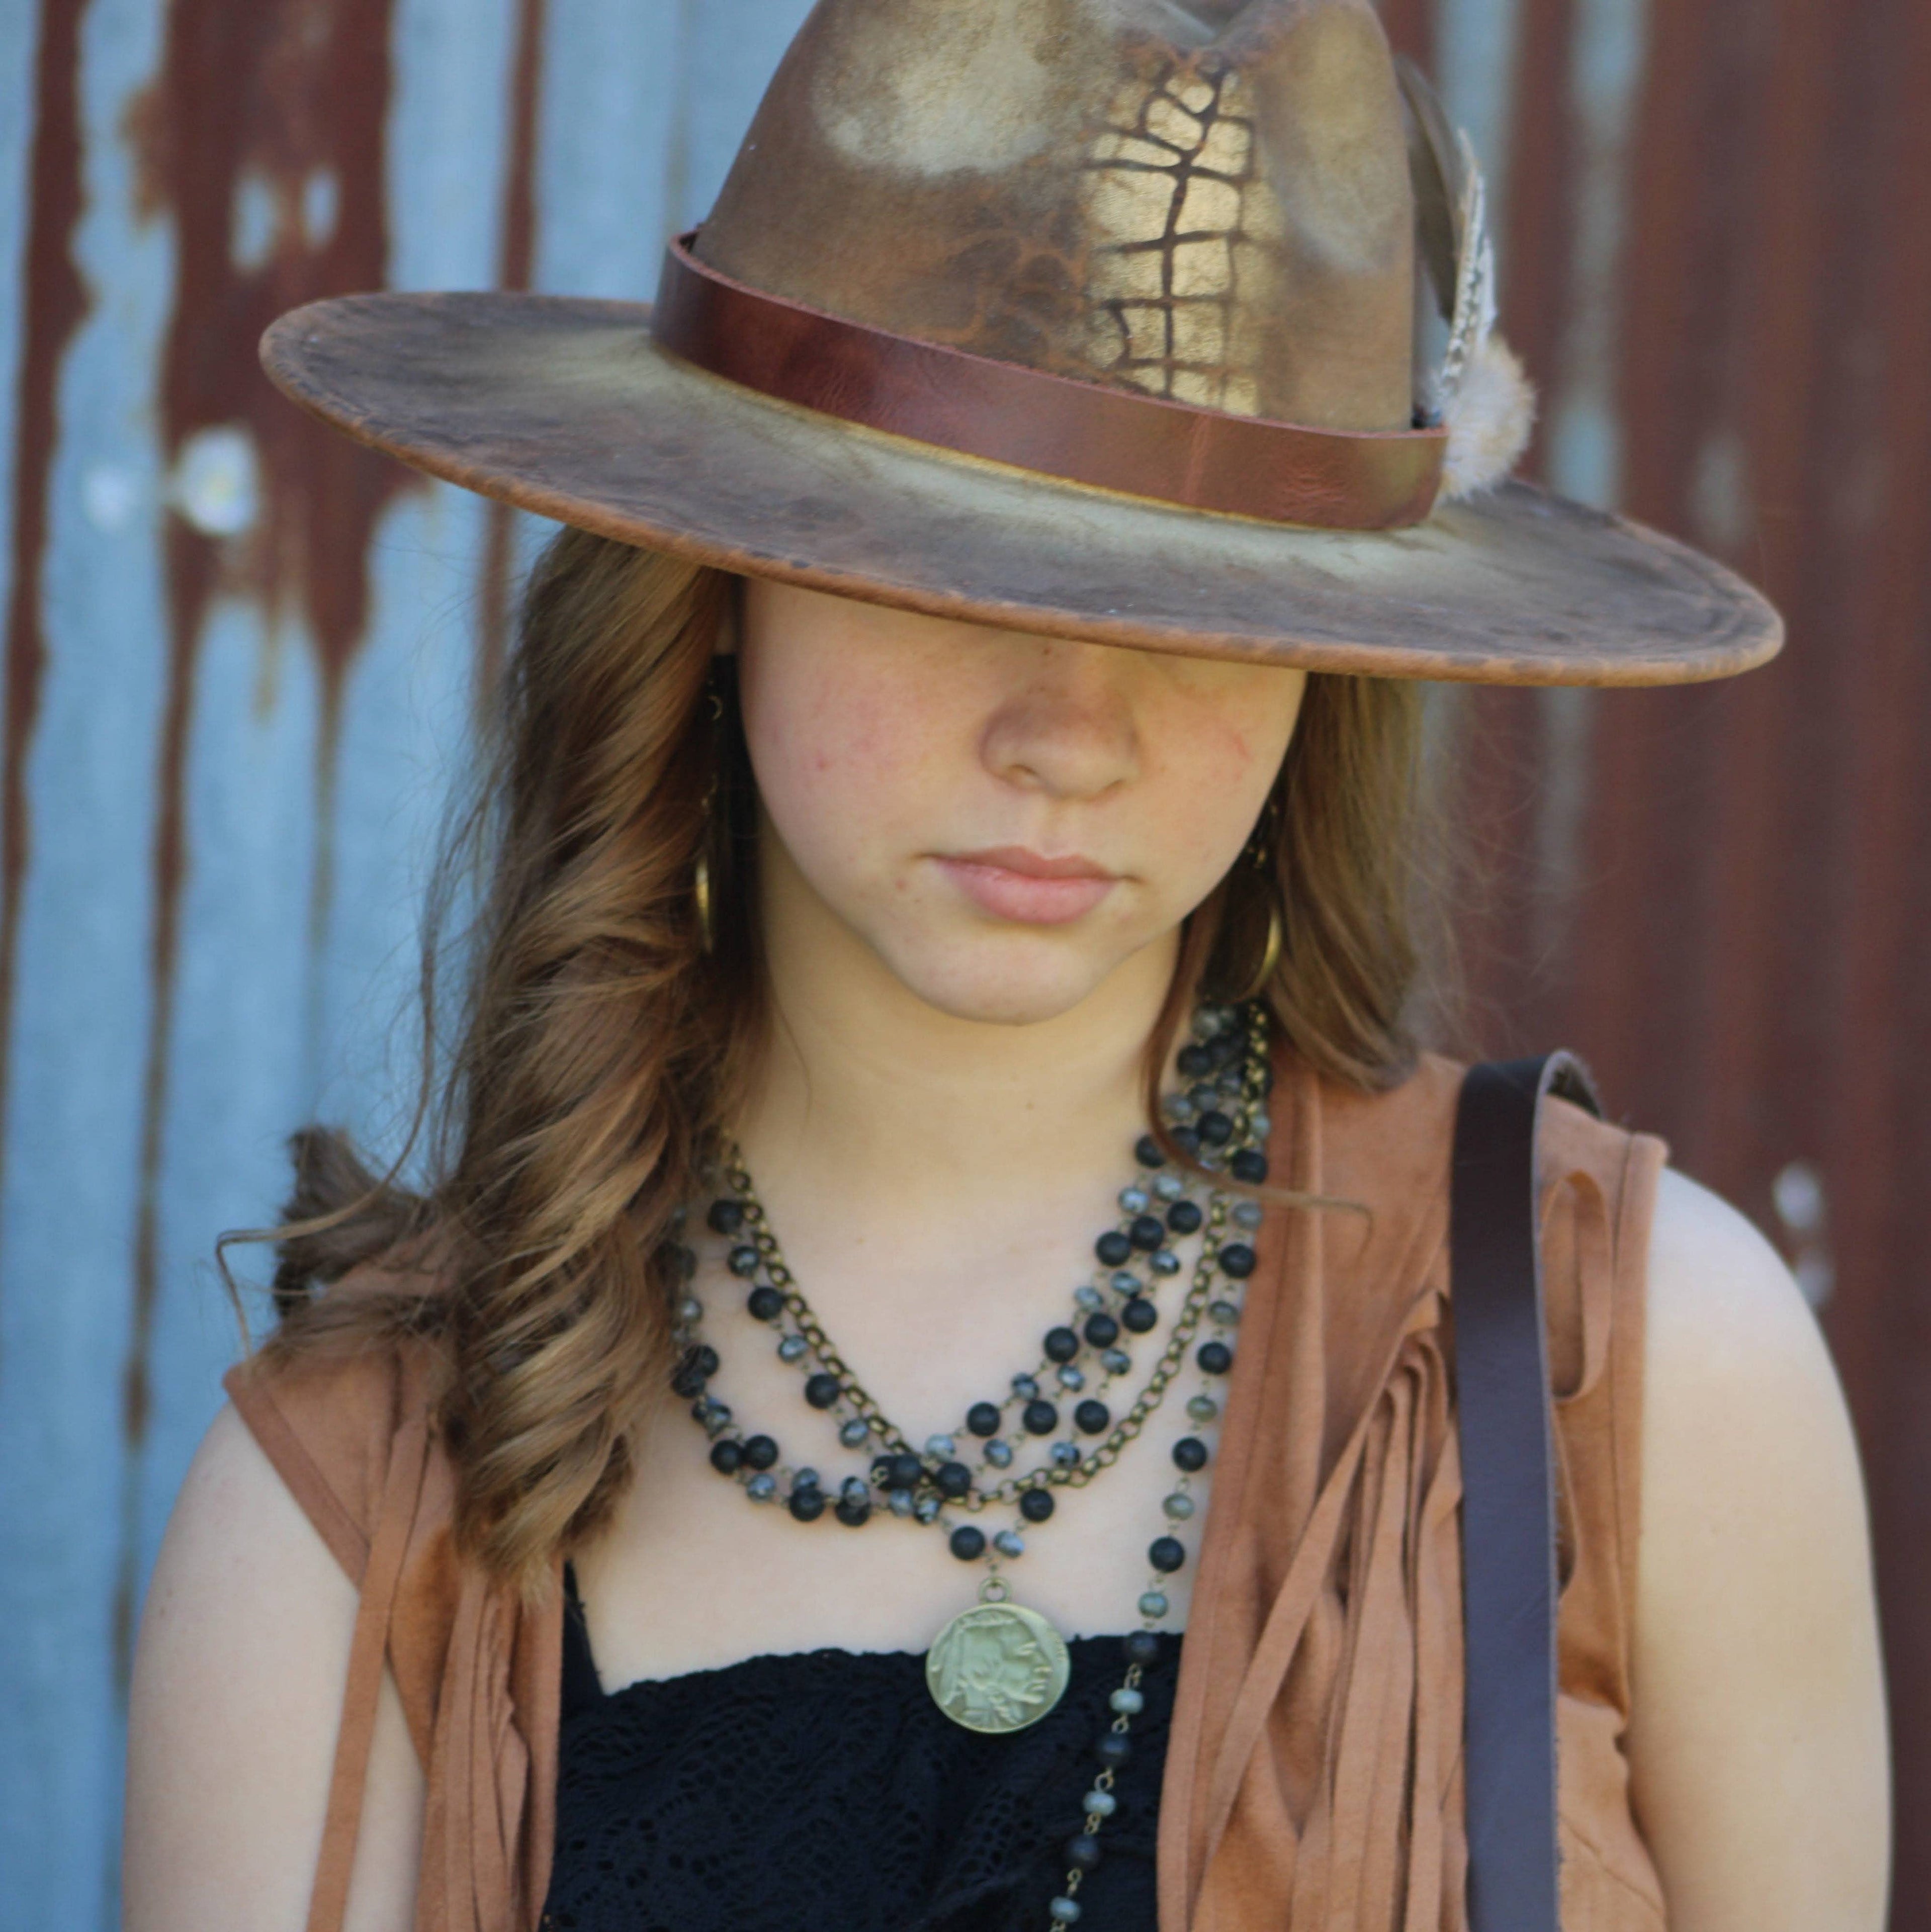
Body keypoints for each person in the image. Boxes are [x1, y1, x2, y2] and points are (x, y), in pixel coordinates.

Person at [122, 3, 1888, 1928]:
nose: (1072, 729)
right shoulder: (346, 1515)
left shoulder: (1639, 1377)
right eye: (941, 568)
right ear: (719, 582)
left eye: (1208, 609)